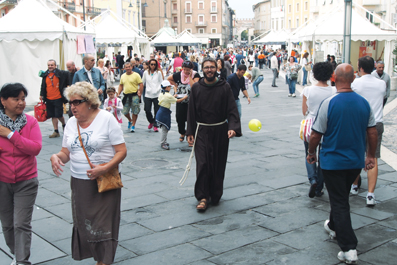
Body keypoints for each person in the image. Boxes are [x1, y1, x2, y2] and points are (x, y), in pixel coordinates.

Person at [307, 63, 377, 264]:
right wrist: (370, 156)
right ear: (353, 78)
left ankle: (349, 248)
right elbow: (372, 132)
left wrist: (311, 153)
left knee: (339, 202)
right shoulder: (364, 103)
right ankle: (334, 226)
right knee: (341, 196)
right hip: (354, 162)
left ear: (334, 78)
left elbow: (315, 134)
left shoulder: (329, 103)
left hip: (332, 162)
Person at [50, 82, 127, 265]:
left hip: (105, 181)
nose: (72, 107)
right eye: (70, 103)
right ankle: (98, 257)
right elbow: (66, 153)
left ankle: (103, 261)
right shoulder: (70, 123)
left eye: (77, 102)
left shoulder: (107, 119)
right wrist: (56, 157)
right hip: (79, 181)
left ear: (90, 101)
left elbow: (122, 151)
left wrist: (105, 167)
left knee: (104, 225)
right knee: (85, 224)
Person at [186, 57, 242, 211]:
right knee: (203, 164)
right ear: (202, 70)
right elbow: (191, 111)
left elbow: (232, 109)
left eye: (211, 67)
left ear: (216, 69)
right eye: (206, 67)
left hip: (220, 130)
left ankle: (215, 194)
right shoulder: (196, 88)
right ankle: (203, 197)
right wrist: (189, 131)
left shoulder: (225, 87)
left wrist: (233, 127)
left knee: (217, 164)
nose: (209, 70)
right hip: (202, 130)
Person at [0, 83, 42, 265]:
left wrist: (10, 135)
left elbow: (35, 148)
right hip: (2, 182)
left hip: (26, 181)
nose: (21, 103)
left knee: (21, 224)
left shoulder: (30, 122)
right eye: (16, 99)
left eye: (23, 98)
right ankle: (17, 254)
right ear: (3, 101)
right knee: (8, 225)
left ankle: (22, 261)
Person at [351, 56, 386, 206]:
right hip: (377, 123)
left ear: (360, 67)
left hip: (359, 123)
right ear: (373, 67)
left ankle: (354, 186)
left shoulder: (356, 83)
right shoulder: (382, 83)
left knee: (356, 154)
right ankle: (370, 195)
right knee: (373, 157)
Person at [301, 62, 336, 198]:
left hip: (311, 125)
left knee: (309, 153)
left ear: (314, 74)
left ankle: (313, 179)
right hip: (328, 126)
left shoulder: (307, 90)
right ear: (329, 74)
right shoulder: (334, 91)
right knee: (324, 157)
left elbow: (304, 111)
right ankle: (319, 187)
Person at [167, 60, 200, 144]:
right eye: (184, 69)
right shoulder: (178, 75)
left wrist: (190, 77)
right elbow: (169, 79)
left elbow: (194, 86)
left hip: (191, 101)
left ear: (191, 69)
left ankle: (191, 137)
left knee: (191, 119)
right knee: (179, 118)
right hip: (180, 100)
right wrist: (175, 86)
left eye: (188, 69)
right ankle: (182, 132)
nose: (186, 71)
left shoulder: (195, 75)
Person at [40, 59, 69, 138]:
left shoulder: (60, 73)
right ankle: (56, 131)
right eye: (49, 65)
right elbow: (43, 86)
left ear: (55, 66)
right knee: (53, 115)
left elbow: (68, 75)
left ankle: (64, 125)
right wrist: (41, 94)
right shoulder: (45, 75)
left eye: (52, 65)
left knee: (59, 115)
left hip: (58, 97)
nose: (50, 66)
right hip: (49, 98)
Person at [155, 80, 186, 150]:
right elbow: (177, 100)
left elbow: (169, 98)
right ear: (167, 87)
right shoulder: (168, 96)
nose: (170, 88)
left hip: (161, 111)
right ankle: (163, 142)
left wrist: (174, 96)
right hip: (164, 113)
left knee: (164, 128)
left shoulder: (161, 94)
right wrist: (185, 97)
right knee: (164, 129)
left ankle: (164, 141)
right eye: (169, 87)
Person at [117, 62, 144, 132]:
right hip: (126, 95)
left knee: (135, 111)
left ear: (131, 67)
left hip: (134, 95)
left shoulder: (136, 75)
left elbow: (141, 84)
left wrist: (140, 92)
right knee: (124, 111)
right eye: (126, 67)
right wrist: (118, 93)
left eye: (129, 67)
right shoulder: (123, 76)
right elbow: (121, 85)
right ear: (124, 68)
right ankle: (130, 120)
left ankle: (133, 125)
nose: (128, 68)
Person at [142, 59, 163, 132]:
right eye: (151, 64)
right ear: (149, 65)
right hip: (148, 94)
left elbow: (161, 82)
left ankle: (155, 124)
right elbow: (142, 82)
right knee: (147, 109)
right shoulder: (145, 73)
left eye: (154, 64)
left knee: (157, 110)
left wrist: (159, 90)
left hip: (157, 94)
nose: (153, 66)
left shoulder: (158, 73)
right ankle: (151, 121)